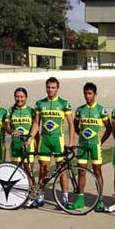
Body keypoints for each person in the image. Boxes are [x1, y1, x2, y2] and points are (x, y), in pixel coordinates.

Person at [29, 77, 75, 207]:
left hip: (58, 140)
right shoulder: (40, 103)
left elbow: (71, 124)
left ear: (57, 88)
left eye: (53, 87)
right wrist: (31, 137)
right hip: (44, 140)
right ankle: (40, 196)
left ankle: (65, 197)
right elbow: (37, 123)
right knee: (44, 168)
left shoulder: (64, 103)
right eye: (48, 87)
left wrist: (71, 142)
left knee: (62, 169)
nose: (50, 90)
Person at [68, 82, 112, 212]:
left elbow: (109, 128)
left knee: (97, 171)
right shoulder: (80, 110)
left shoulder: (101, 110)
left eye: (89, 93)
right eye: (85, 93)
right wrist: (80, 136)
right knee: (81, 171)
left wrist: (101, 141)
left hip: (95, 146)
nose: (87, 96)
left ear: (95, 94)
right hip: (82, 145)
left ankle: (100, 199)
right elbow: (75, 126)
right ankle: (80, 199)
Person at [5, 88, 36, 177]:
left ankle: (29, 190)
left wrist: (35, 143)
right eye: (17, 97)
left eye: (22, 97)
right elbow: (7, 129)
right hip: (15, 144)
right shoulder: (10, 111)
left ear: (26, 97)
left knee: (29, 173)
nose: (19, 99)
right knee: (16, 173)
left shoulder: (31, 111)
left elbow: (35, 128)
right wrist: (12, 131)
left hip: (28, 144)